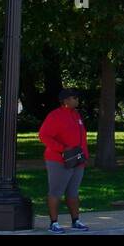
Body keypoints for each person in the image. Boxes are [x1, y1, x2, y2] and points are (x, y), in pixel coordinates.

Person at [39, 88, 90, 233]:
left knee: (73, 192)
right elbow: (44, 135)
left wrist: (84, 156)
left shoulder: (77, 115)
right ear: (66, 100)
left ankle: (76, 221)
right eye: (74, 97)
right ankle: (54, 223)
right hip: (58, 160)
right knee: (56, 191)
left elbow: (82, 139)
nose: (77, 100)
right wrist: (62, 148)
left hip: (77, 160)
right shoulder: (55, 116)